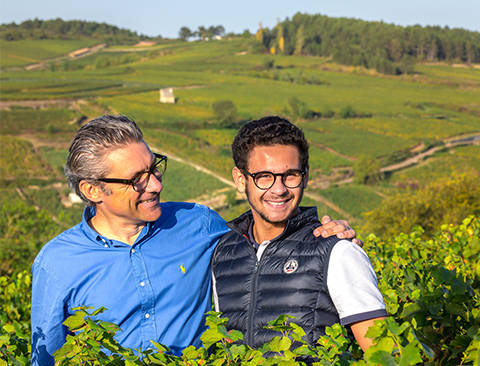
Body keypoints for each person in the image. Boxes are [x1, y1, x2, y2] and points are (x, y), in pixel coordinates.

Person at [31, 115, 356, 365]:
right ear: (92, 190)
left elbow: (261, 242)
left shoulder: (197, 223)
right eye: (136, 180)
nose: (155, 185)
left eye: (154, 169)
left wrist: (325, 235)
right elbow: (46, 356)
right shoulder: (57, 263)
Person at [211, 116, 387, 351]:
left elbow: (385, 353)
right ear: (241, 179)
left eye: (290, 175)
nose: (279, 189)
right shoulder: (223, 255)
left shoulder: (338, 251)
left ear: (306, 177)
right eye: (264, 177)